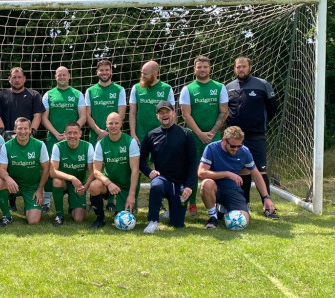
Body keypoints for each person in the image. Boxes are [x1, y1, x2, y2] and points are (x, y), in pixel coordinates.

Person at [226, 56, 279, 218]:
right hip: (235, 138)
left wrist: (258, 122)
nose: (241, 69)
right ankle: (244, 204)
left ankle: (268, 207)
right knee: (242, 171)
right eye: (238, 67)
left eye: (243, 66)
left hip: (256, 136)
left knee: (260, 170)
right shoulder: (228, 87)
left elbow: (273, 108)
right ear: (234, 69)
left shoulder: (262, 85)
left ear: (250, 68)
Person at [198, 125, 275, 229]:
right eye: (233, 146)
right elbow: (201, 173)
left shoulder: (244, 151)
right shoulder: (211, 148)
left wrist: (266, 198)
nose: (236, 149)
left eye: (239, 146)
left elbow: (256, 175)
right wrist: (227, 173)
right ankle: (213, 218)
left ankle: (223, 209)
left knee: (244, 221)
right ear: (224, 140)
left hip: (233, 191)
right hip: (215, 189)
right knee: (206, 183)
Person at [138, 102, 197, 233]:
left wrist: (189, 186)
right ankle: (153, 221)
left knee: (178, 224)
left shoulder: (186, 134)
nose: (164, 115)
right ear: (157, 116)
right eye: (161, 113)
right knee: (156, 185)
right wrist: (149, 172)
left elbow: (193, 163)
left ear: (173, 113)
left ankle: (172, 210)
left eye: (167, 112)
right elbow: (140, 160)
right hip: (162, 180)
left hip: (180, 185)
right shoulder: (151, 135)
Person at [179, 54, 230, 203]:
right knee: (192, 170)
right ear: (194, 69)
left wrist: (212, 132)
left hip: (214, 137)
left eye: (205, 67)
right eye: (199, 67)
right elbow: (185, 114)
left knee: (217, 170)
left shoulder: (219, 87)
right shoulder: (187, 89)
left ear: (210, 68)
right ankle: (192, 203)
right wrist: (200, 134)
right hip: (193, 137)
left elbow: (224, 111)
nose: (202, 69)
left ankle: (220, 203)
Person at [40, 66, 85, 211]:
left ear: (69, 76)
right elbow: (44, 117)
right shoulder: (49, 94)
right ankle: (46, 201)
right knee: (48, 168)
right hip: (54, 138)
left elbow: (83, 115)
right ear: (55, 77)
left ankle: (77, 194)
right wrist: (56, 133)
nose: (62, 77)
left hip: (72, 138)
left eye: (64, 75)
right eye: (59, 75)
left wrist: (70, 133)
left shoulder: (77, 94)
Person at [0, 117, 50, 226]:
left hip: (32, 187)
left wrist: (39, 190)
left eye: (25, 129)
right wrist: (8, 178)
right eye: (20, 128)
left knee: (33, 221)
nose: (23, 132)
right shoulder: (7, 146)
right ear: (15, 129)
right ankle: (7, 216)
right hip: (13, 185)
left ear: (30, 130)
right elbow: (1, 170)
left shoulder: (39, 145)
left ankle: (29, 206)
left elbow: (46, 169)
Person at [90, 112, 140, 228]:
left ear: (121, 124)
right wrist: (109, 183)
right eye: (110, 123)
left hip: (126, 186)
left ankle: (126, 205)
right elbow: (96, 171)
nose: (113, 126)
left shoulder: (130, 142)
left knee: (122, 215)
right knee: (94, 186)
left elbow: (135, 171)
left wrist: (132, 194)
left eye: (116, 123)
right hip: (110, 184)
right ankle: (100, 219)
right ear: (106, 124)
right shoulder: (101, 144)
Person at [49, 121, 95, 225]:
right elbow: (52, 172)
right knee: (56, 181)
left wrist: (85, 186)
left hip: (79, 185)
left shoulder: (88, 146)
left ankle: (73, 205)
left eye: (75, 133)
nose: (72, 136)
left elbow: (93, 172)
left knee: (79, 219)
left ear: (80, 134)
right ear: (65, 134)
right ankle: (59, 215)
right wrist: (72, 178)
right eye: (69, 133)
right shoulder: (58, 146)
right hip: (64, 182)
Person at [129, 60, 174, 145]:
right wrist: (133, 134)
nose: (142, 76)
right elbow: (132, 112)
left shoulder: (167, 88)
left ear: (155, 74)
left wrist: (172, 133)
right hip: (140, 135)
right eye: (142, 73)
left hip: (162, 135)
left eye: (145, 74)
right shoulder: (136, 88)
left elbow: (173, 113)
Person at [84, 57, 127, 146]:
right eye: (101, 70)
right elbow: (87, 115)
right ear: (97, 72)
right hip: (95, 136)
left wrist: (107, 132)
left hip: (114, 135)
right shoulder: (90, 91)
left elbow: (121, 114)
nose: (104, 73)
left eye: (107, 70)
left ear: (111, 71)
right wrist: (99, 132)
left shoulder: (120, 90)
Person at [0, 67, 44, 139]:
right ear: (9, 79)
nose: (17, 80)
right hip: (7, 138)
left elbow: (38, 115)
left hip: (27, 136)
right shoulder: (0, 95)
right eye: (14, 77)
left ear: (24, 79)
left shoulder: (34, 95)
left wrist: (32, 131)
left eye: (19, 77)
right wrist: (3, 132)